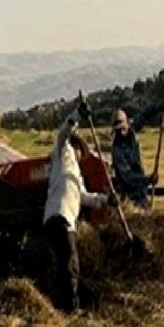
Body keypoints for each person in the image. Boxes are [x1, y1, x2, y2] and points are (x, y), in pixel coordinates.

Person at [42, 102, 115, 313]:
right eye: (81, 150)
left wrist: (107, 200)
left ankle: (75, 302)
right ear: (75, 147)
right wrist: (77, 116)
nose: (82, 155)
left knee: (70, 265)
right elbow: (64, 132)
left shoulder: (77, 175)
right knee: (70, 265)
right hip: (58, 216)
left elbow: (85, 197)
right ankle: (71, 309)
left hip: (67, 222)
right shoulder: (62, 153)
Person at [110, 101, 164, 209]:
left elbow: (144, 114)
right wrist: (148, 180)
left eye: (122, 128)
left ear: (127, 122)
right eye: (118, 129)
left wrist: (159, 107)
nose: (121, 132)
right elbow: (128, 177)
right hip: (127, 192)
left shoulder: (133, 127)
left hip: (140, 187)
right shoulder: (117, 150)